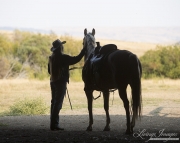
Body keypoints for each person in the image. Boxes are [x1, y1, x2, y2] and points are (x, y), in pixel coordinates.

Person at [48, 39, 86, 131]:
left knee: (54, 103)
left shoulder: (51, 57)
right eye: (62, 45)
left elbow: (49, 71)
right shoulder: (63, 57)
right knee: (58, 103)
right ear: (60, 47)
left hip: (53, 81)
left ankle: (53, 124)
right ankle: (54, 125)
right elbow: (76, 59)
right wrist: (84, 50)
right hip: (60, 82)